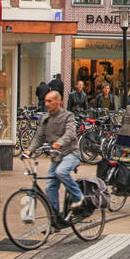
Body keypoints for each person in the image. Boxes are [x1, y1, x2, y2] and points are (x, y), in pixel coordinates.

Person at [24, 90, 83, 222]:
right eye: (45, 101)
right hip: (56, 157)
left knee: (61, 172)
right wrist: (29, 151)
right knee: (50, 186)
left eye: (50, 101)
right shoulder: (45, 118)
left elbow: (70, 133)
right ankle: (55, 220)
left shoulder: (68, 116)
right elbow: (39, 137)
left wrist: (60, 143)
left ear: (58, 102)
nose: (47, 104)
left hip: (70, 153)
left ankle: (79, 197)